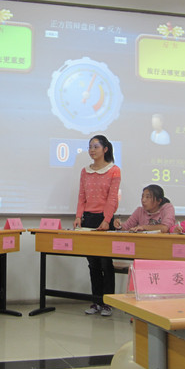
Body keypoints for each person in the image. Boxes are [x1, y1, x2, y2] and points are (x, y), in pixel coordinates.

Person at [73, 135, 121, 317]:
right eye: (90, 147)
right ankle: (96, 301)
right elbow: (81, 196)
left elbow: (112, 198)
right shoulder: (85, 171)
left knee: (105, 263)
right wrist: (78, 217)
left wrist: (107, 219)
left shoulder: (114, 170)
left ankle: (108, 303)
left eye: (95, 146)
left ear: (105, 149)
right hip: (88, 219)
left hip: (104, 219)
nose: (92, 150)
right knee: (92, 263)